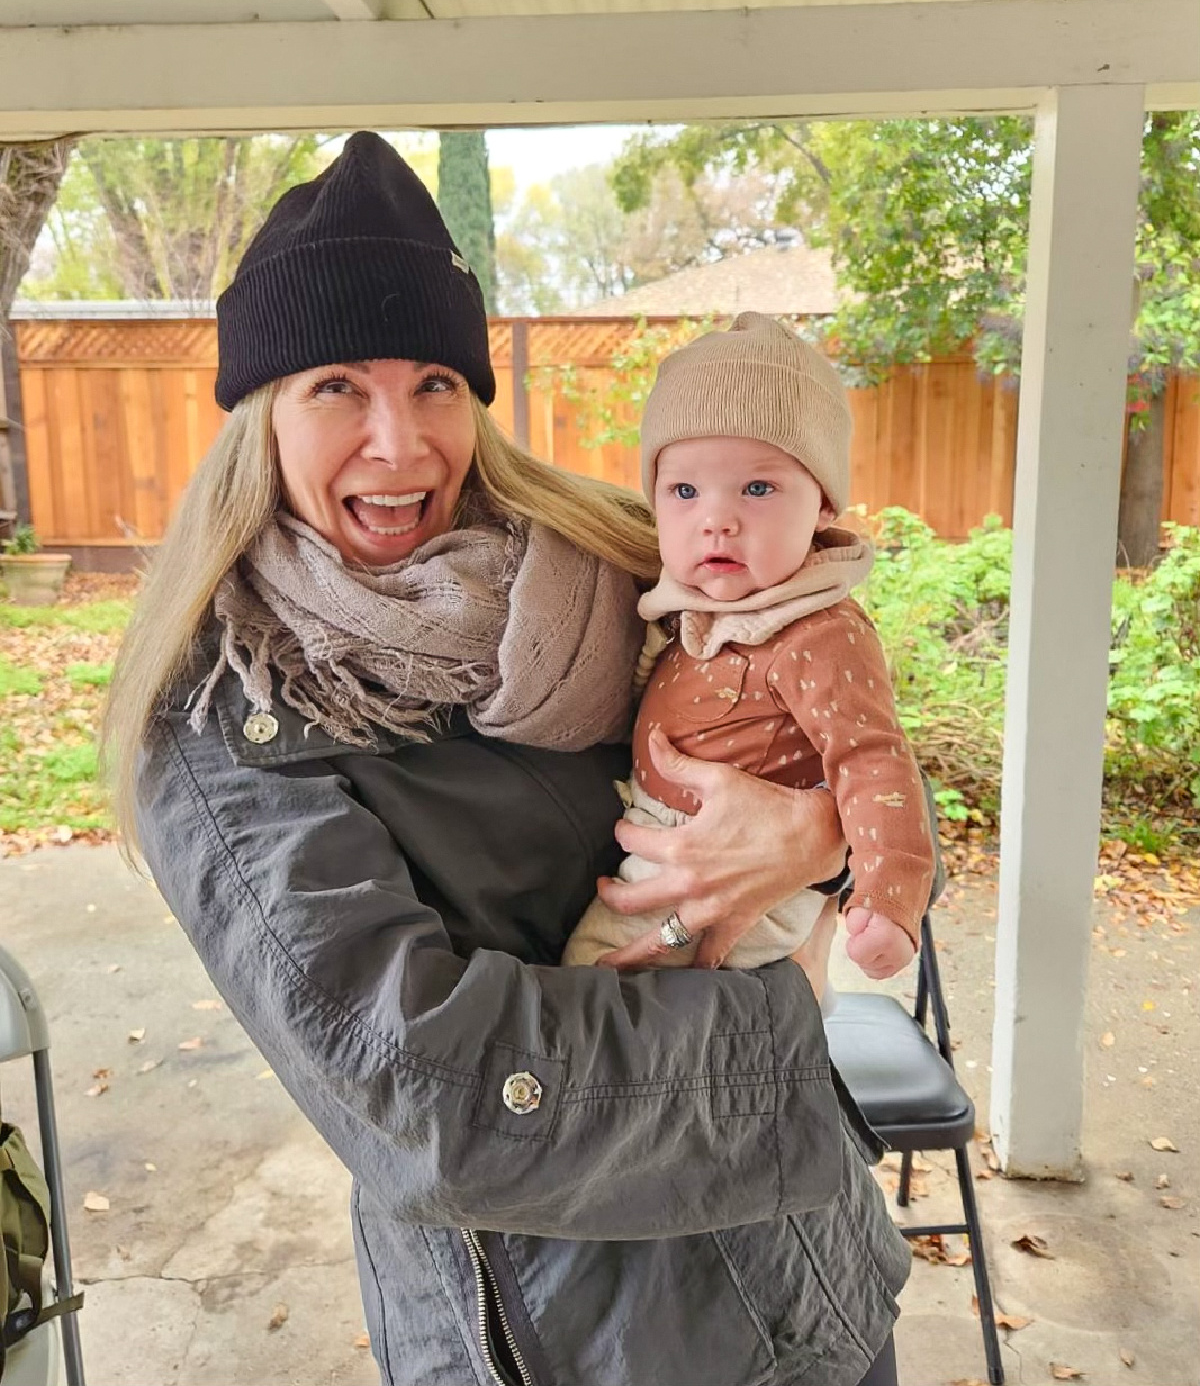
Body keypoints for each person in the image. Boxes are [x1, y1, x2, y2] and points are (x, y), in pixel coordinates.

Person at [103, 132, 910, 1386]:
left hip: (810, 1283)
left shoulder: (616, 566)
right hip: (562, 1338)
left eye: (434, 381)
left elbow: (876, 765)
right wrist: (782, 1012)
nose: (399, 441)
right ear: (259, 414)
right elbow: (429, 1095)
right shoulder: (227, 720)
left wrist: (823, 841)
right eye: (335, 386)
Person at [565, 316, 934, 977]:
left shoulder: (817, 629)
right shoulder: (690, 604)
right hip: (670, 847)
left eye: (757, 488)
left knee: (594, 979)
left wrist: (889, 895)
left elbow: (873, 757)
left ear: (823, 504)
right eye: (684, 490)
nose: (716, 518)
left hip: (742, 870)